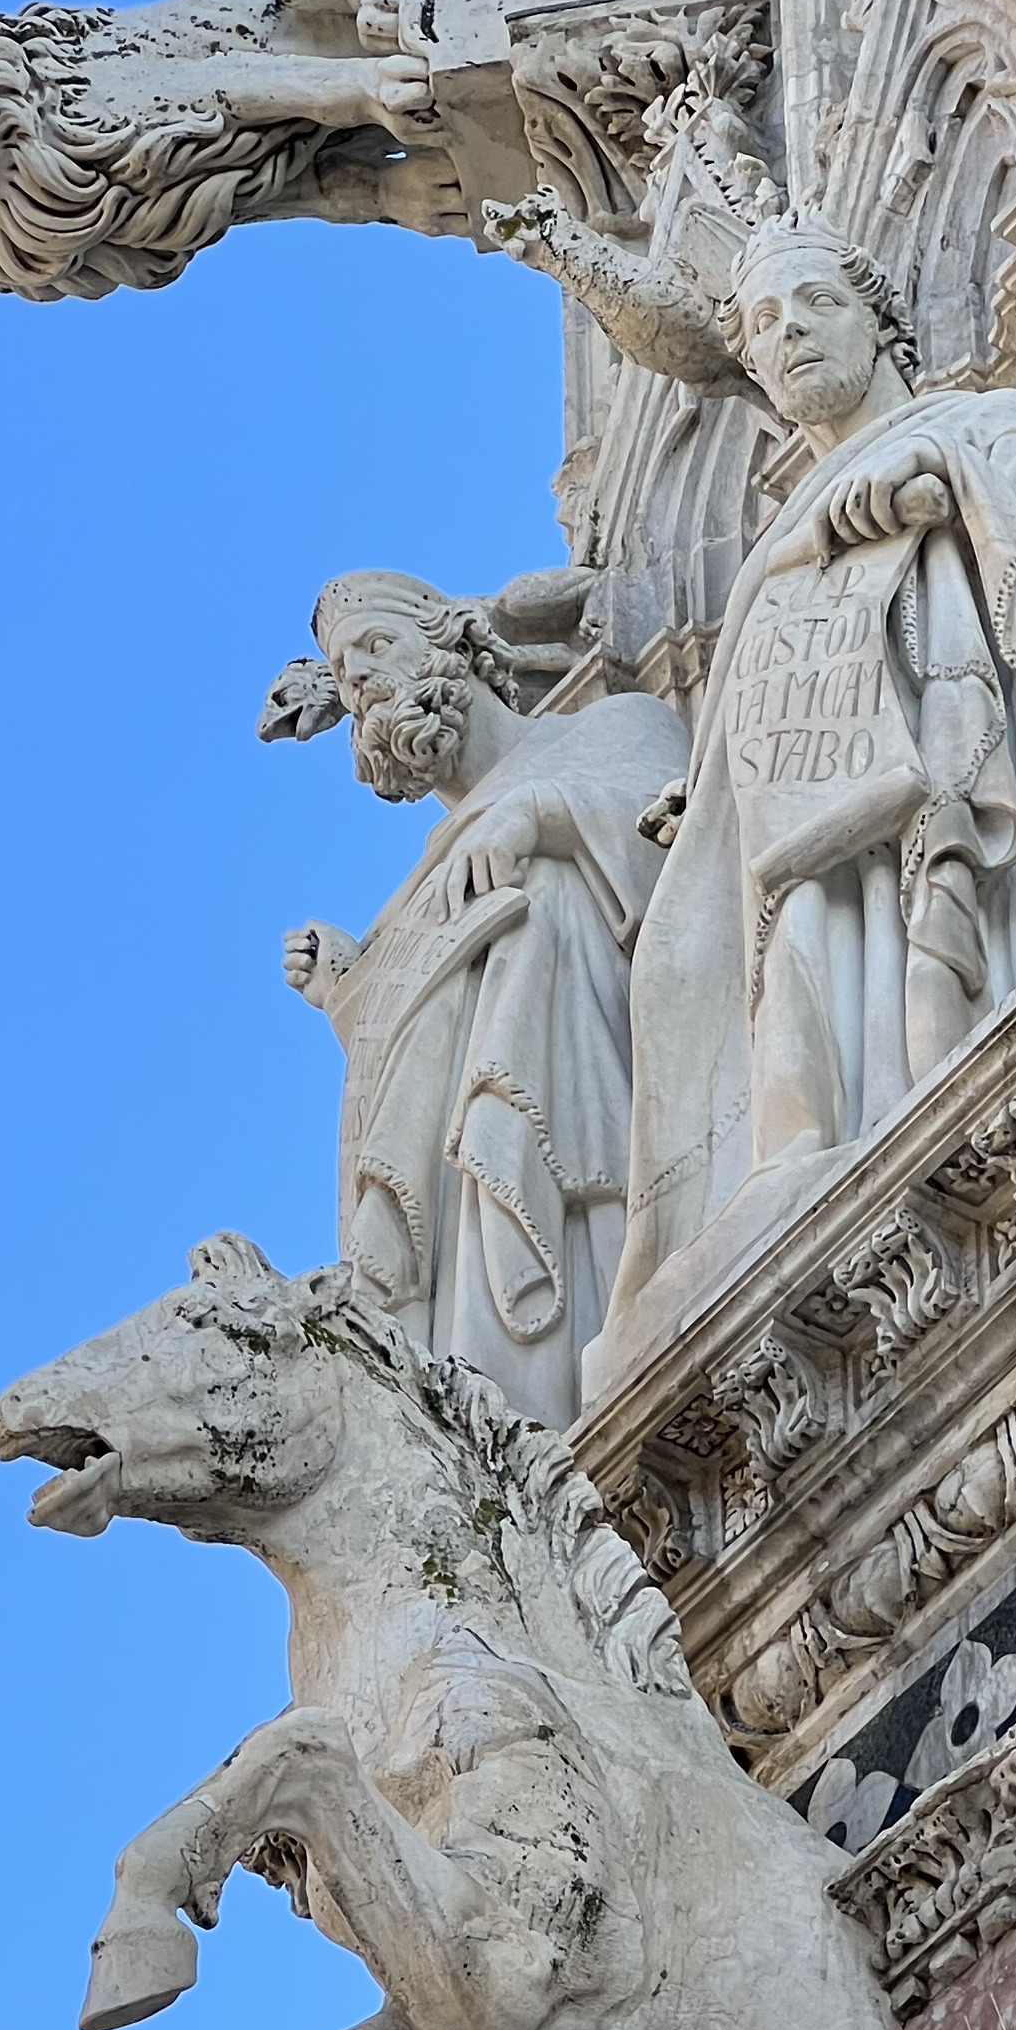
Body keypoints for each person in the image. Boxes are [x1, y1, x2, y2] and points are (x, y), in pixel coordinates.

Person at [598, 212, 1016, 1361]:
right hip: (807, 836)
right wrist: (715, 795)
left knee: (931, 951)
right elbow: (752, 704)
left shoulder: (982, 424)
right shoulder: (773, 542)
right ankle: (808, 1144)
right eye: (764, 325)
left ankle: (953, 1064)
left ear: (880, 319)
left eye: (811, 306)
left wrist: (940, 486)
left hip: (945, 776)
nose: (787, 339)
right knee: (789, 971)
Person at [266, 571, 684, 1429]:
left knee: (540, 917)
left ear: (455, 641)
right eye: (347, 677)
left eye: (378, 648)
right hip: (466, 1213)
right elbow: (415, 1077)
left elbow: (695, 842)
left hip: (596, 1120)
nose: (366, 681)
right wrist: (348, 993)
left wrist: (538, 817)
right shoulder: (424, 879)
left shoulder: (610, 732)